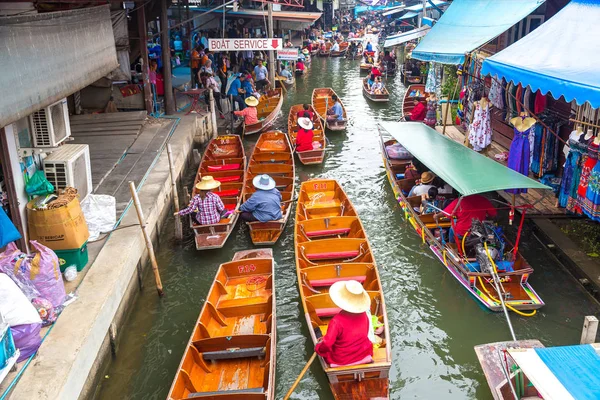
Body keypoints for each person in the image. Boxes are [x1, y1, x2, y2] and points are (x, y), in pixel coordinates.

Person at [314, 280, 375, 367]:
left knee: (321, 346)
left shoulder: (336, 321)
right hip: (363, 353)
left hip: (341, 359)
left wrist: (318, 348)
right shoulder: (364, 315)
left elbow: (327, 344)